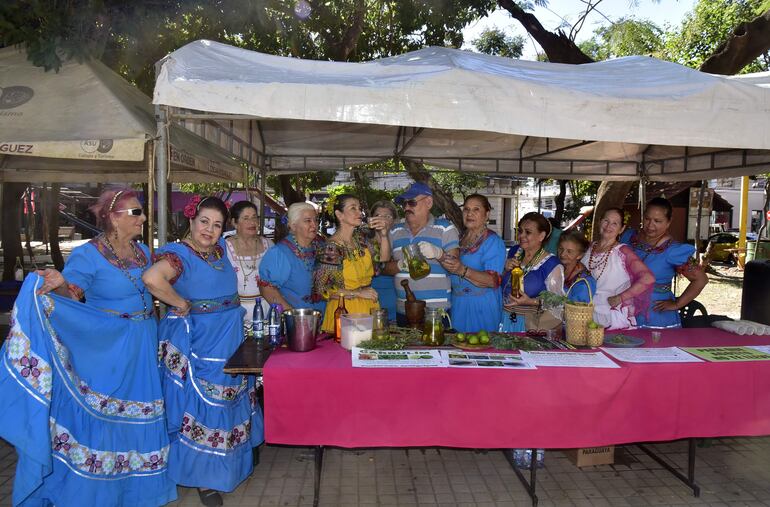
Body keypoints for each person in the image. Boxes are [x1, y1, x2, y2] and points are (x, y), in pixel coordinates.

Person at [0, 189, 177, 506]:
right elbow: (73, 296)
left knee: (141, 413)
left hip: (143, 344)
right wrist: (60, 285)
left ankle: (137, 491)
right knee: (104, 416)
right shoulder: (87, 254)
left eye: (142, 212)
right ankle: (98, 493)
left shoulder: (143, 253)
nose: (144, 218)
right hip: (108, 348)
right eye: (136, 212)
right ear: (113, 217)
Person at [143, 196, 263, 506]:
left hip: (230, 338)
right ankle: (203, 478)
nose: (209, 229)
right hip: (201, 343)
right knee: (204, 407)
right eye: (204, 222)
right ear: (192, 221)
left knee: (231, 400)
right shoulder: (179, 255)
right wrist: (180, 303)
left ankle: (234, 462)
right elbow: (152, 278)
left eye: (217, 224)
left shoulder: (219, 251)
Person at [620, 197, 708, 328]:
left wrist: (677, 304)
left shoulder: (674, 251)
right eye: (647, 219)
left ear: (668, 222)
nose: (650, 225)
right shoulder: (629, 237)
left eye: (657, 221)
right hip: (623, 311)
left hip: (654, 317)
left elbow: (701, 280)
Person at [383, 182, 459, 326]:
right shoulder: (394, 231)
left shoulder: (445, 228)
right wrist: (400, 265)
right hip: (404, 310)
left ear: (428, 202)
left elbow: (455, 266)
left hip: (436, 312)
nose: (406, 208)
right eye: (403, 204)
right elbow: (383, 268)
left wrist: (439, 254)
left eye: (411, 202)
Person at [313, 194, 391, 332]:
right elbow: (323, 290)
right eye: (353, 208)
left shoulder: (361, 240)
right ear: (339, 215)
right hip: (344, 311)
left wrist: (384, 234)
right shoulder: (331, 248)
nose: (359, 212)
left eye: (359, 208)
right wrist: (358, 293)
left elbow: (382, 261)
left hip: (368, 308)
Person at [439, 194, 505, 333]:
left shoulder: (493, 241)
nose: (470, 213)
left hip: (482, 305)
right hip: (458, 304)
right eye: (466, 209)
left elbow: (493, 281)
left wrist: (462, 270)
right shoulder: (459, 239)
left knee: (481, 349)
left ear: (487, 215)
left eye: (476, 210)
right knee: (457, 350)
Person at [583, 208, 654, 329]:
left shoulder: (623, 252)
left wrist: (621, 298)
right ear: (600, 222)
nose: (608, 226)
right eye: (606, 221)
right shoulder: (588, 248)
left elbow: (648, 278)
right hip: (583, 316)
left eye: (615, 223)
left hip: (610, 320)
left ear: (621, 229)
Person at [501, 212, 563, 332]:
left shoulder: (551, 264)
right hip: (502, 318)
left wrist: (530, 301)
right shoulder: (514, 252)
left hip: (531, 324)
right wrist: (504, 268)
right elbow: (501, 283)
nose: (521, 236)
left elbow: (558, 303)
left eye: (528, 232)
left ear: (541, 236)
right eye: (520, 231)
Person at [259, 202, 326, 313]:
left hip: (324, 320)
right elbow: (267, 289)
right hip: (296, 323)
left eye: (316, 220)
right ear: (293, 226)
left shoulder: (321, 247)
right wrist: (293, 316)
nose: (314, 225)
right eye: (308, 221)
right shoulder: (281, 253)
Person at [224, 200, 274, 330]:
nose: (252, 222)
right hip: (237, 312)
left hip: (267, 309)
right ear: (235, 222)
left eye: (254, 217)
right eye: (246, 218)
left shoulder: (269, 245)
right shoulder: (224, 248)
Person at [369, 200, 399, 321]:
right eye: (378, 216)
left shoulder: (399, 241)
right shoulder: (362, 241)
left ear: (394, 220)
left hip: (395, 295)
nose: (382, 219)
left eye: (387, 216)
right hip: (369, 295)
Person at [558, 230, 597, 304]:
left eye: (569, 251)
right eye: (561, 249)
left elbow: (576, 310)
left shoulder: (584, 282)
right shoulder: (557, 268)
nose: (562, 254)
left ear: (580, 255)